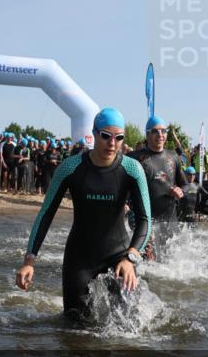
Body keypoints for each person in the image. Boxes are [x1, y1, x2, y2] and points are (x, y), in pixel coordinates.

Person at [15, 108, 151, 320]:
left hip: (119, 257)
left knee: (125, 326)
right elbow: (46, 214)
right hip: (80, 260)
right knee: (74, 325)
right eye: (106, 136)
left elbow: (145, 219)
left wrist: (131, 258)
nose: (112, 143)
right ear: (95, 134)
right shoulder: (70, 167)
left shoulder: (132, 169)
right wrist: (29, 261)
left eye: (119, 138)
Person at [128, 116, 186, 223]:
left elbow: (185, 185)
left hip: (170, 220)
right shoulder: (134, 158)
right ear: (147, 134)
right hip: (144, 220)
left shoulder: (173, 157)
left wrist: (180, 190)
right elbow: (122, 186)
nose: (160, 134)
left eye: (163, 131)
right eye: (155, 131)